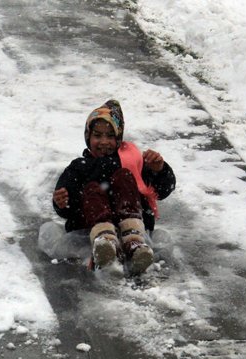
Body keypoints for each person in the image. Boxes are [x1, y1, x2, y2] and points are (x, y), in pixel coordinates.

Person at [52, 100, 176, 274]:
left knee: (124, 176)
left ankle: (133, 241)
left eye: (110, 136)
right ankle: (106, 243)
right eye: (98, 135)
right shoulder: (79, 166)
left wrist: (159, 169)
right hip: (92, 229)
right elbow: (68, 208)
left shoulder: (132, 162)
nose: (104, 142)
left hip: (132, 226)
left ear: (119, 139)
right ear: (88, 137)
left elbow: (162, 189)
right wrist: (62, 201)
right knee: (93, 189)